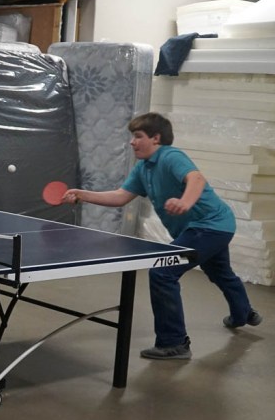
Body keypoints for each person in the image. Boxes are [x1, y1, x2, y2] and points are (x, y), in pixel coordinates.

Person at [63, 112, 261, 360]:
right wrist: (83, 194)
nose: (132, 142)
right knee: (220, 272)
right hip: (213, 227)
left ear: (156, 138)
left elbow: (196, 178)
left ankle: (174, 343)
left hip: (208, 225)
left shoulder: (170, 156)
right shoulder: (143, 168)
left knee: (163, 272)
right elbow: (121, 196)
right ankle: (244, 313)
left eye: (138, 136)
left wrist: (185, 202)